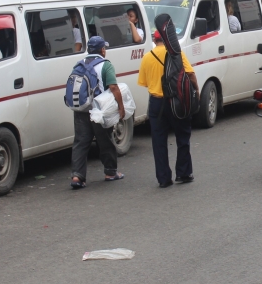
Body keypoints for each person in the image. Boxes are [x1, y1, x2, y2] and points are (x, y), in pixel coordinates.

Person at [138, 30, 199, 188]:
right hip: (176, 100)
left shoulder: (147, 57)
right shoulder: (176, 54)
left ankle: (163, 178)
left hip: (156, 103)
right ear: (167, 39)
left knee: (159, 141)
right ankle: (183, 172)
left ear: (154, 39)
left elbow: (144, 82)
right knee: (182, 136)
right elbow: (190, 74)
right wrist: (196, 91)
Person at [70, 36, 125, 189]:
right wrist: (121, 106)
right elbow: (113, 87)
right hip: (98, 110)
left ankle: (77, 177)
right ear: (102, 50)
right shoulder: (105, 65)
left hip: (81, 109)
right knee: (105, 141)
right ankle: (110, 172)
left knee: (80, 142)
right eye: (104, 48)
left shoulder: (78, 65)